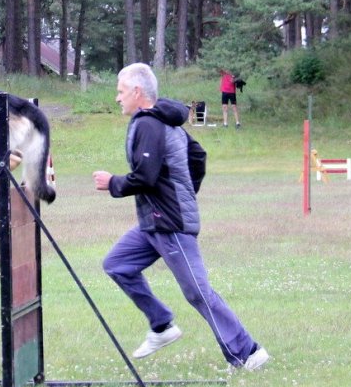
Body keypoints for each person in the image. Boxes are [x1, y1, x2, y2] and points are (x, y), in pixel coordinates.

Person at [92, 63, 269, 370]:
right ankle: (161, 325)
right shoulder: (165, 122)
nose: (117, 98)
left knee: (198, 292)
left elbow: (145, 176)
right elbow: (198, 157)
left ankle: (248, 352)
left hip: (170, 223)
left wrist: (113, 183)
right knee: (117, 264)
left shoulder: (149, 124)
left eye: (120, 92)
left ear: (137, 92)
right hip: (154, 221)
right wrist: (184, 193)